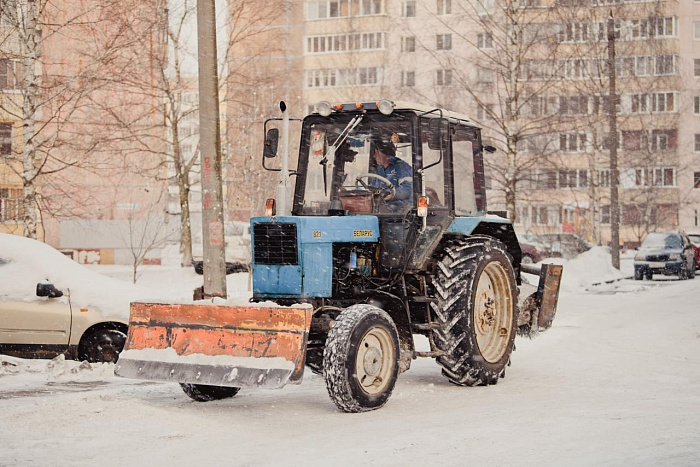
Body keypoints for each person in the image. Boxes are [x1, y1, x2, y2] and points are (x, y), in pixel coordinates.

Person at [371, 137, 413, 210]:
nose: (374, 156)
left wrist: (390, 194)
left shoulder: (401, 166)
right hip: (383, 207)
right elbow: (373, 187)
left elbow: (407, 190)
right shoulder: (379, 170)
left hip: (401, 209)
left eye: (375, 153)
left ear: (382, 153)